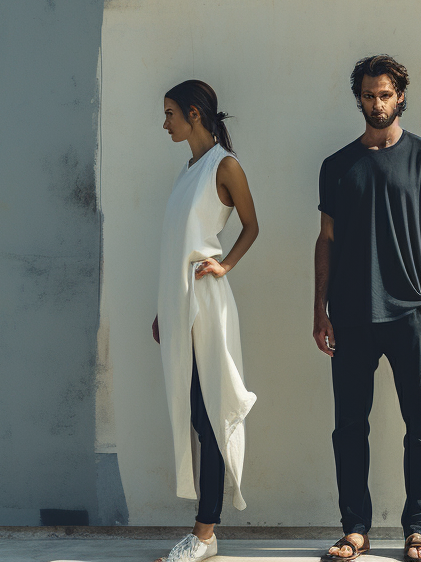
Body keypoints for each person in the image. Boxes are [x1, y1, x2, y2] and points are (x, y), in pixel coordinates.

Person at [316, 55, 421, 562]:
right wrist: (319, 310)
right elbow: (325, 239)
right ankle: (355, 528)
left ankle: (418, 529)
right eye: (369, 95)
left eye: (386, 94)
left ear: (401, 97)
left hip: (409, 316)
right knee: (349, 427)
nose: (377, 103)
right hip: (351, 316)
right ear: (359, 99)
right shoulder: (337, 166)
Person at [151, 80, 260, 562]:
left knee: (210, 413)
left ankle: (205, 533)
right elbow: (177, 244)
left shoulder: (224, 166)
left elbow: (252, 224)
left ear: (194, 114)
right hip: (180, 307)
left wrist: (225, 264)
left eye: (170, 113)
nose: (165, 122)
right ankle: (204, 532)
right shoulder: (189, 169)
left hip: (208, 306)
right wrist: (164, 308)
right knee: (195, 413)